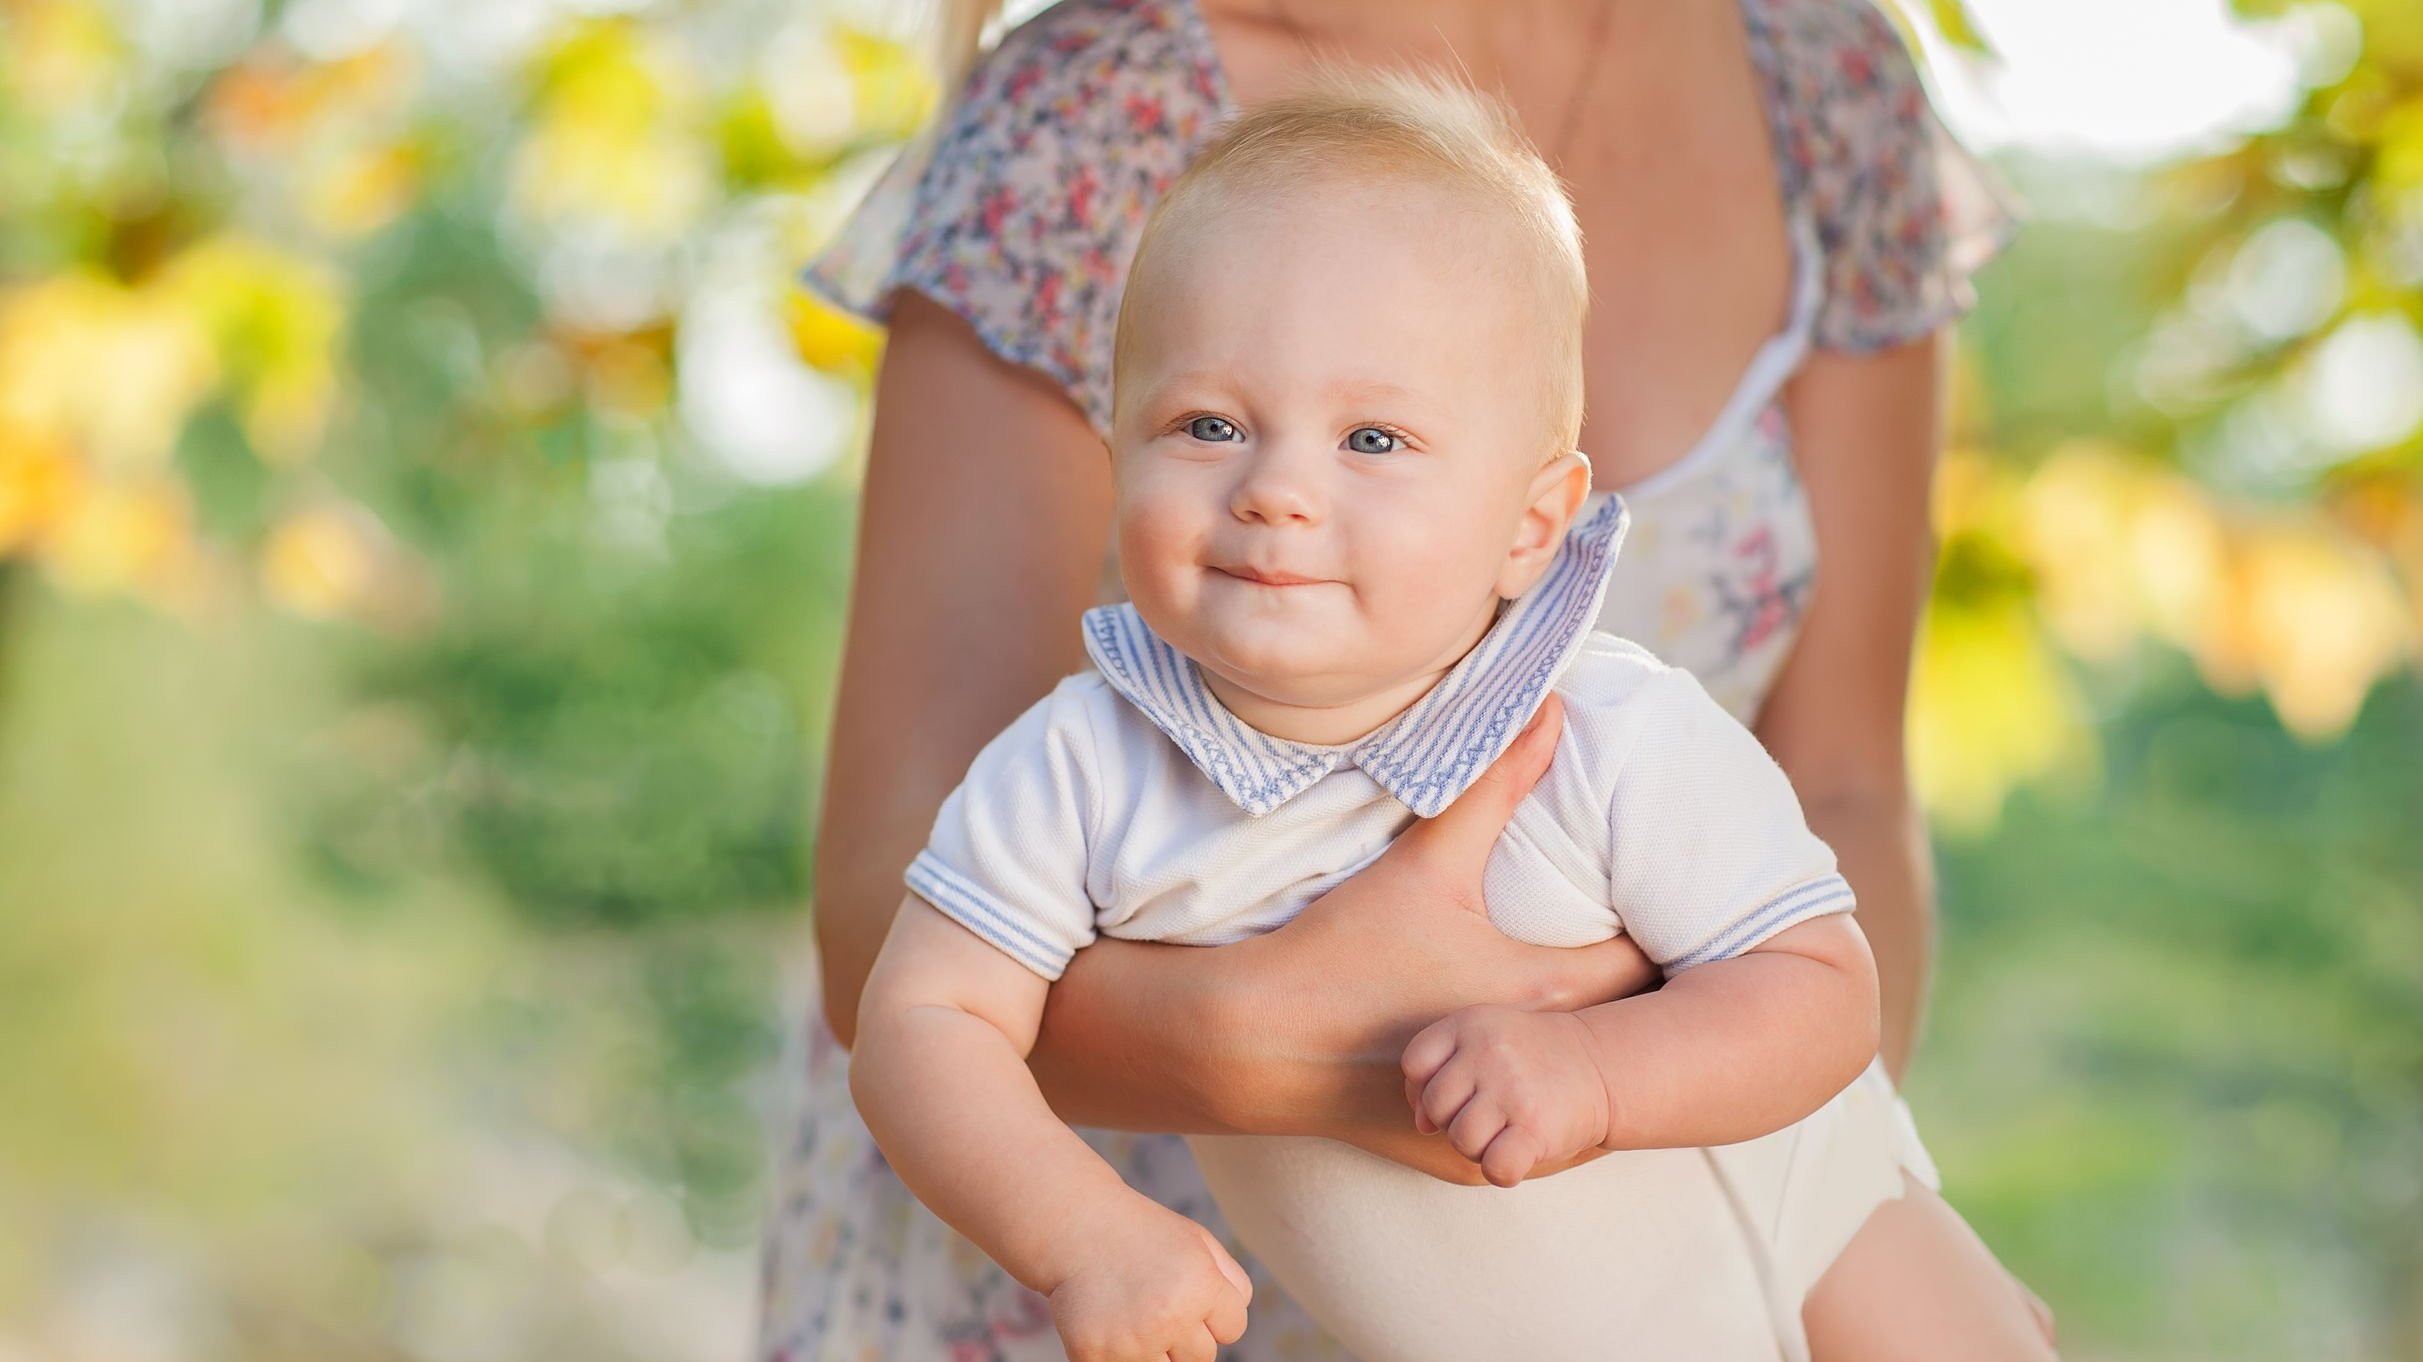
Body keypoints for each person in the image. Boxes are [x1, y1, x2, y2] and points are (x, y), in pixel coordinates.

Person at [760, 2, 2026, 1359]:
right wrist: (1100, 1224)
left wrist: (1622, 1084)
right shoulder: (1090, 758)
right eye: (1206, 425)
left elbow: (1825, 939)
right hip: (1141, 1278)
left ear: (1538, 525)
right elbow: (911, 990)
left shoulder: (1603, 722)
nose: (1280, 492)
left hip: (1717, 1185)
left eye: (1372, 436)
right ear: (1117, 441)